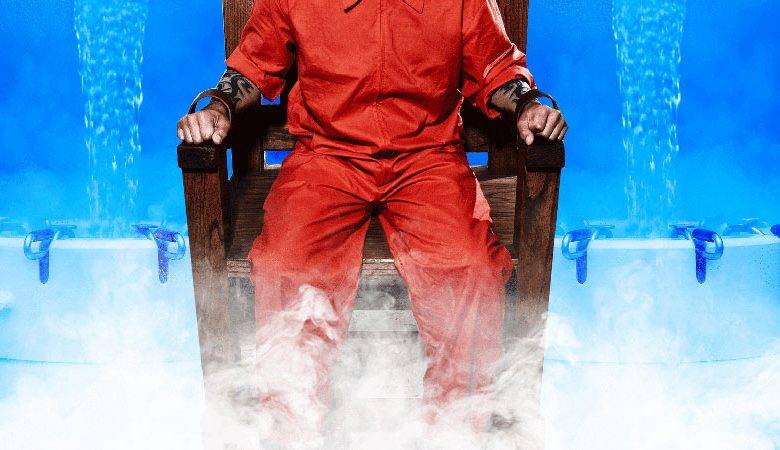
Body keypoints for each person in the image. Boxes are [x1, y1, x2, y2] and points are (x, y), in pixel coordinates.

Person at [177, 0, 566, 444]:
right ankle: (291, 431)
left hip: (427, 159)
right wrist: (220, 107)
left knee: (469, 268)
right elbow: (252, 64)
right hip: (327, 157)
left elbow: (497, 67)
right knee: (285, 265)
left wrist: (528, 104)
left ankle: (456, 430)